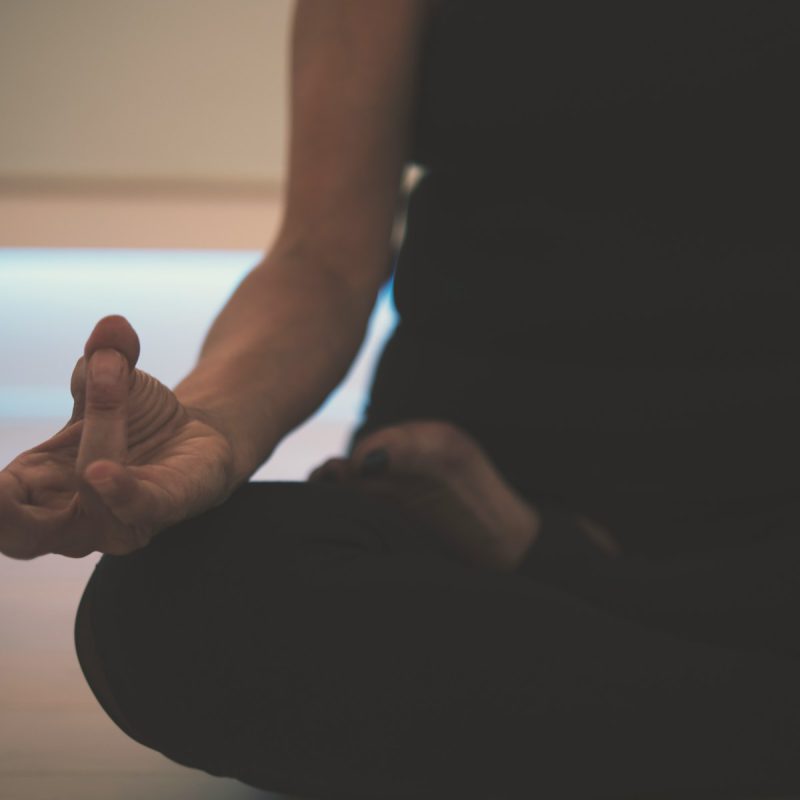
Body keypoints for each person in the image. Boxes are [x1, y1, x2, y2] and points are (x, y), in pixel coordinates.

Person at [3, 1, 800, 797]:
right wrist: (210, 423)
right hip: (449, 506)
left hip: (761, 531)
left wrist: (547, 551)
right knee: (168, 610)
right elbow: (322, 260)